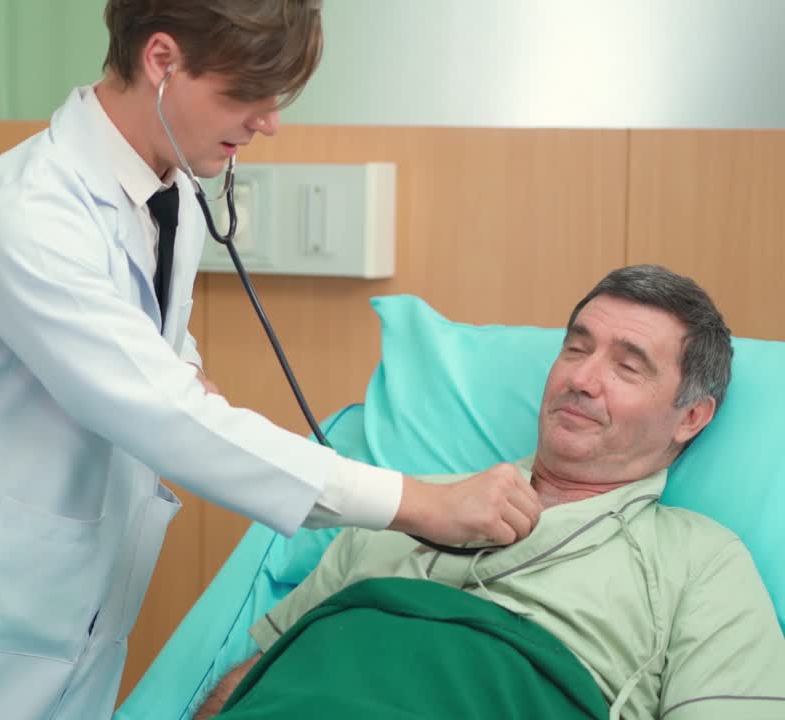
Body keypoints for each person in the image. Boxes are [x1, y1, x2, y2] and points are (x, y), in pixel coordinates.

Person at [0, 1, 545, 718]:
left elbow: (159, 356)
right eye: (246, 94)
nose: (269, 121)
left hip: (70, 609)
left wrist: (177, 370)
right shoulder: (30, 211)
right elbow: (167, 416)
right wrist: (423, 503)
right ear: (161, 60)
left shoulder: (171, 193)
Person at [197, 266, 785, 720]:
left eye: (628, 368)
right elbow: (259, 673)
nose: (581, 379)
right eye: (576, 349)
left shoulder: (700, 562)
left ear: (691, 417)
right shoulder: (404, 502)